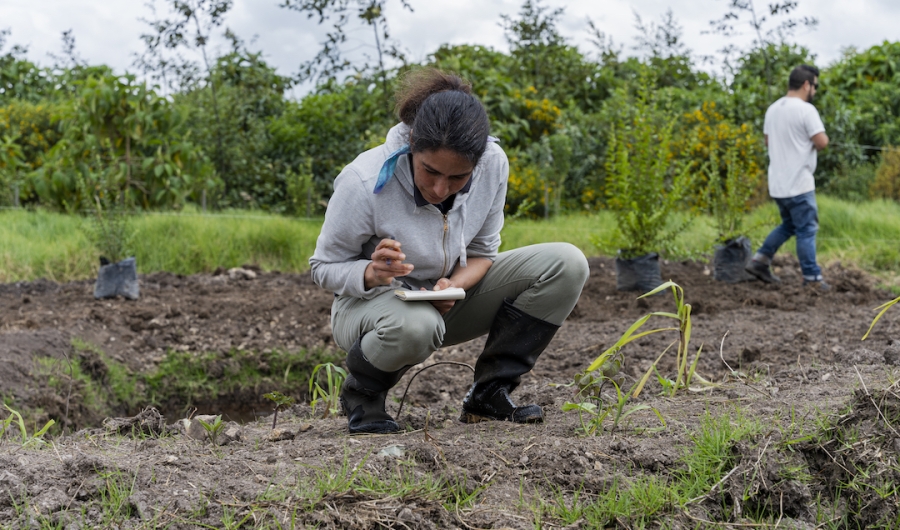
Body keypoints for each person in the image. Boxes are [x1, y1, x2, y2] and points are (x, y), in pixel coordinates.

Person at [309, 68, 589, 434]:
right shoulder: (362, 181)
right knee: (417, 325)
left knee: (567, 263)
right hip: (369, 307)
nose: (441, 188)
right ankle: (364, 396)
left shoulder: (493, 165)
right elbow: (323, 267)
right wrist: (370, 272)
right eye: (430, 171)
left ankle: (488, 396)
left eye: (458, 178)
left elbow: (484, 252)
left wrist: (452, 286)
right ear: (412, 145)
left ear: (477, 161)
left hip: (446, 301)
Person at [745, 64, 830, 290]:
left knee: (789, 225)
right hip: (799, 183)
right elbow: (822, 142)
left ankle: (760, 261)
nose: (815, 91)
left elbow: (767, 141)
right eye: (815, 86)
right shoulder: (806, 110)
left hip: (778, 184)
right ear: (806, 85)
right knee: (806, 230)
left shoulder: (773, 109)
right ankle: (812, 277)